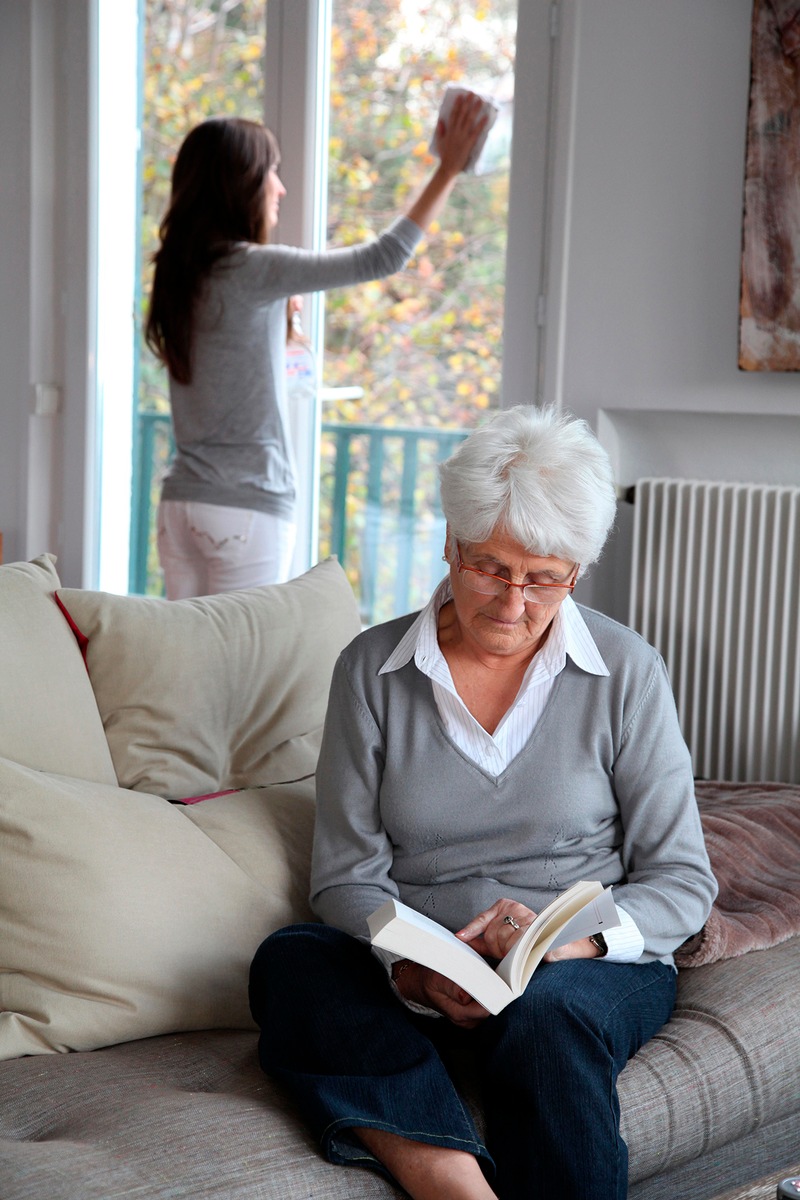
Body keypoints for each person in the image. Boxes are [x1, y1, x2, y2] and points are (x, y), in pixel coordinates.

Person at [248, 406, 717, 1200]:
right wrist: (417, 973)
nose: (512, 602)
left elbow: (683, 881)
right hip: (428, 971)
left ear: (577, 572)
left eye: (544, 579)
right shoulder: (372, 671)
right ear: (450, 546)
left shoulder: (627, 671)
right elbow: (343, 878)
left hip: (581, 974)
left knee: (548, 1015)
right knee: (291, 963)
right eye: (489, 567)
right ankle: (458, 1187)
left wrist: (567, 949)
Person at [145, 97, 486, 599]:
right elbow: (385, 257)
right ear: (239, 184)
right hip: (244, 507)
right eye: (272, 172)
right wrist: (448, 170)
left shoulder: (180, 272)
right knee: (245, 667)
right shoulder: (252, 267)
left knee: (193, 664)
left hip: (181, 505)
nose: (280, 187)